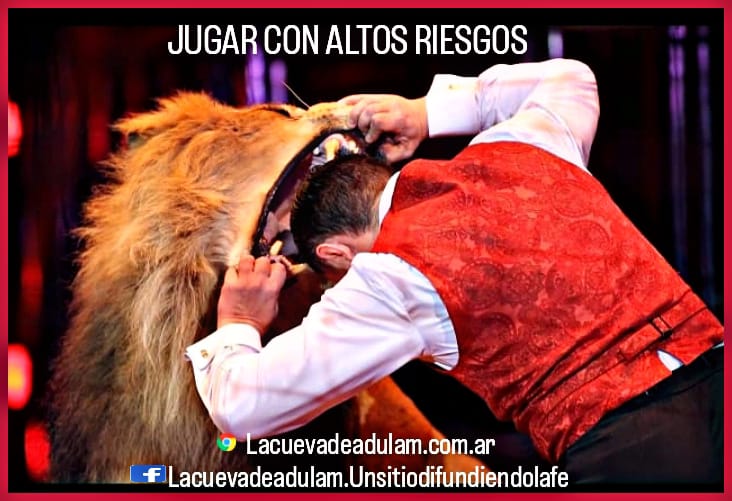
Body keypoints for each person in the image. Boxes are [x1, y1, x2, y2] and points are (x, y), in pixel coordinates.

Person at [185, 59, 723, 484]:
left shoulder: (390, 278)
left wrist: (239, 322)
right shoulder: (519, 144)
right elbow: (572, 79)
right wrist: (427, 114)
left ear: (335, 254)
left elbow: (243, 410)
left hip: (635, 450)